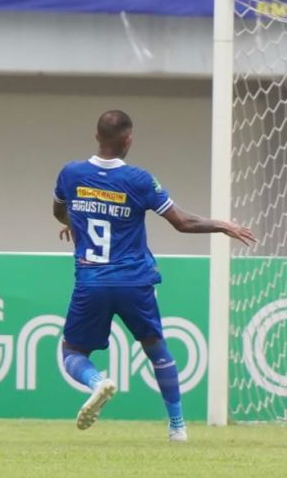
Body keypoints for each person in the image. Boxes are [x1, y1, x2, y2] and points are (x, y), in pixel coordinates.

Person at [52, 111, 256, 441]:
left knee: (72, 353)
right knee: (156, 349)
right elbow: (182, 223)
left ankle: (96, 382)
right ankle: (177, 427)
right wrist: (223, 225)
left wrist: (72, 222)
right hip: (135, 281)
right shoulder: (140, 180)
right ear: (128, 139)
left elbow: (60, 209)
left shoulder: (71, 173)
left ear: (96, 136)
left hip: (92, 281)